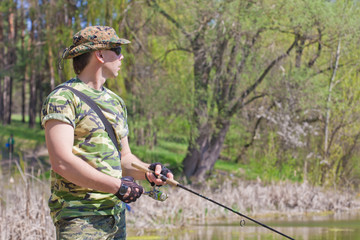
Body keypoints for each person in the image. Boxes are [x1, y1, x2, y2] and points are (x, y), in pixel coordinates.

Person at [41, 26, 173, 240]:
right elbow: (61, 162)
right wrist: (117, 186)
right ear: (100, 54)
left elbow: (124, 159)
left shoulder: (116, 102)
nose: (122, 57)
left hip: (115, 217)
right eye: (117, 50)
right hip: (79, 219)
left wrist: (148, 171)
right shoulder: (62, 98)